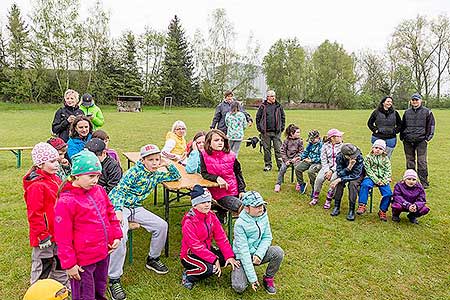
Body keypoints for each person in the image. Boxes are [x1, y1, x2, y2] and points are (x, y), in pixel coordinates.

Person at [107, 144, 181, 300]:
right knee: (120, 236)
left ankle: (152, 259)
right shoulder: (133, 172)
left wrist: (167, 164)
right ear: (142, 160)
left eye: (157, 159)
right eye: (151, 160)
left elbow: (175, 177)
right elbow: (119, 191)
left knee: (161, 225)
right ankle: (114, 278)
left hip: (136, 207)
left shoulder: (155, 173)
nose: (155, 163)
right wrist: (118, 210)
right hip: (120, 206)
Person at [54, 150, 123, 300]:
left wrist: (116, 235)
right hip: (83, 261)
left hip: (103, 253)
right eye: (91, 176)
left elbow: (110, 213)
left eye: (98, 176)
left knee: (99, 288)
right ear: (77, 175)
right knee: (85, 294)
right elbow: (62, 237)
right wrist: (69, 264)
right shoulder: (65, 202)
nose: (95, 180)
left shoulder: (98, 191)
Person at [23, 143, 68, 287]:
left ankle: (61, 288)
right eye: (52, 161)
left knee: (60, 263)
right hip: (45, 236)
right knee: (44, 264)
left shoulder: (55, 178)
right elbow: (35, 214)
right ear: (40, 164)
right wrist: (42, 235)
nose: (57, 164)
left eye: (57, 160)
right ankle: (38, 291)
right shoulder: (37, 186)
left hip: (59, 232)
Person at [180, 185, 240, 290]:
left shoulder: (211, 216)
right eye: (203, 202)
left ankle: (210, 264)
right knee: (209, 269)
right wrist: (214, 259)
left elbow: (221, 237)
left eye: (208, 201)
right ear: (194, 204)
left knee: (230, 257)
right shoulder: (189, 222)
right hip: (190, 255)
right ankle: (188, 275)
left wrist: (229, 256)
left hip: (207, 250)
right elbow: (195, 246)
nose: (207, 205)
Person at [231, 191, 284, 295]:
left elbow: (267, 237)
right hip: (242, 257)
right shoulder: (239, 224)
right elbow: (243, 251)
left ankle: (268, 278)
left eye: (261, 205)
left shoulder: (263, 215)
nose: (261, 208)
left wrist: (259, 254)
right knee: (239, 287)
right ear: (247, 208)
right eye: (256, 206)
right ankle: (244, 271)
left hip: (257, 253)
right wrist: (253, 278)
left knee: (278, 252)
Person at [200, 129, 246, 223]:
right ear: (209, 142)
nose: (220, 142)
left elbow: (238, 173)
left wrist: (242, 190)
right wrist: (217, 178)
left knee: (257, 204)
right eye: (216, 140)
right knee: (244, 208)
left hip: (234, 190)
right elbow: (204, 174)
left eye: (222, 140)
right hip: (219, 193)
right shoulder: (204, 155)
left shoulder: (231, 155)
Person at [400, 93, 435, 188]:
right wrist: (402, 137)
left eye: (416, 100)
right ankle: (409, 181)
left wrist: (427, 138)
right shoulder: (407, 112)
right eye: (413, 100)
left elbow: (431, 126)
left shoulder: (427, 112)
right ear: (411, 101)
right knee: (410, 161)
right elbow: (403, 125)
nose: (415, 102)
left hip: (421, 140)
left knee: (421, 161)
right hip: (408, 140)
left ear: (421, 101)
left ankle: (424, 182)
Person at [357, 139, 392, 222]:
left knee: (388, 194)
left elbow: (388, 170)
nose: (377, 150)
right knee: (365, 185)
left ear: (383, 150)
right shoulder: (368, 158)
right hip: (370, 177)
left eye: (380, 149)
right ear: (372, 148)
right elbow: (368, 170)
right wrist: (376, 180)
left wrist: (384, 180)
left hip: (383, 179)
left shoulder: (385, 159)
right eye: (376, 148)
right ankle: (362, 205)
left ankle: (382, 211)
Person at [329, 143, 364, 221]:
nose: (355, 156)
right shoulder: (339, 157)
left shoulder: (359, 157)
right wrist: (349, 167)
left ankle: (351, 210)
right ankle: (336, 207)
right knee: (339, 184)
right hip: (346, 171)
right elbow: (339, 172)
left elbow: (355, 175)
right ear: (346, 156)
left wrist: (340, 179)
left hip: (357, 174)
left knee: (352, 184)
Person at [311, 128, 344, 208]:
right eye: (339, 136)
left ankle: (329, 199)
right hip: (326, 167)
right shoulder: (325, 146)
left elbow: (340, 162)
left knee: (333, 180)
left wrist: (332, 171)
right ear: (332, 138)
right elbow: (323, 159)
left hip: (338, 168)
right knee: (319, 179)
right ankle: (315, 197)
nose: (341, 137)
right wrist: (326, 170)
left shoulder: (343, 147)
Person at [256, 90, 286, 172]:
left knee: (278, 149)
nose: (273, 97)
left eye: (274, 96)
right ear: (268, 97)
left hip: (276, 132)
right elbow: (258, 118)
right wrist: (260, 129)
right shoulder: (263, 106)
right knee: (267, 149)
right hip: (265, 132)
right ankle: (268, 165)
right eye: (272, 96)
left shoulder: (279, 106)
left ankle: (280, 166)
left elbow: (283, 117)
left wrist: (282, 127)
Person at [274, 124, 304, 192]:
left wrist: (296, 158)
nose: (299, 134)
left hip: (296, 160)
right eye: (297, 132)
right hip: (287, 159)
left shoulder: (300, 141)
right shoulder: (286, 141)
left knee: (298, 169)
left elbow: (301, 151)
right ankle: (278, 184)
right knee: (282, 169)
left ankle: (299, 183)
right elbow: (282, 151)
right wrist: (286, 160)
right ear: (291, 133)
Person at [295, 130, 322, 196]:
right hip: (309, 160)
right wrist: (300, 157)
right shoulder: (310, 144)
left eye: (313, 139)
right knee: (298, 168)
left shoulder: (322, 145)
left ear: (318, 137)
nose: (311, 141)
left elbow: (322, 157)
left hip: (318, 163)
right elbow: (306, 152)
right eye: (311, 139)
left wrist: (312, 160)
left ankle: (314, 189)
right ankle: (302, 184)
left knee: (311, 172)